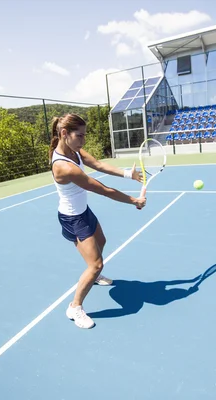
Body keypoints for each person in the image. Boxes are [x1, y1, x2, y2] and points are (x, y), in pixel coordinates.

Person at [49, 113, 146, 329]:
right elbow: (102, 189)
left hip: (83, 211)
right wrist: (134, 201)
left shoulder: (74, 151)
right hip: (73, 218)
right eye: (80, 135)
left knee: (101, 242)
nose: (83, 140)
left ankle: (94, 276)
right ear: (65, 134)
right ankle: (75, 307)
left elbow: (98, 164)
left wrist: (128, 174)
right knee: (96, 263)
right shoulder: (64, 166)